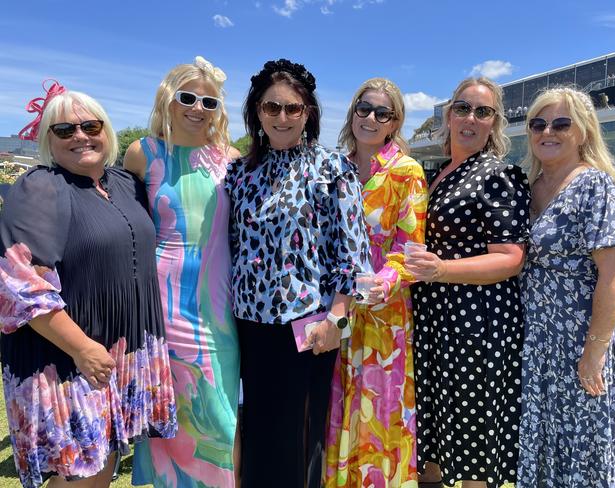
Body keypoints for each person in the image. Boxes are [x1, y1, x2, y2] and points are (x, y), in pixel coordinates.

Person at [0, 81, 177, 488]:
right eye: (64, 130)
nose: (80, 136)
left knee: (104, 465)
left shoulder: (125, 184)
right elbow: (21, 283)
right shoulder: (41, 186)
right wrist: (82, 349)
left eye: (90, 126)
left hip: (118, 352)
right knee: (79, 474)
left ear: (107, 131)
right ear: (48, 140)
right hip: (68, 358)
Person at [224, 59, 370, 488]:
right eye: (272, 108)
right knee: (256, 432)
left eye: (293, 108)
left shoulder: (332, 168)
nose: (282, 117)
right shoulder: (240, 172)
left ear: (308, 113)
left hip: (307, 330)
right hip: (249, 327)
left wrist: (336, 320)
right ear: (256, 112)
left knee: (299, 437)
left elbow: (352, 255)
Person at [405, 77, 530, 488]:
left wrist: (441, 269)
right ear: (448, 114)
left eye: (483, 111)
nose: (470, 118)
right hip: (436, 317)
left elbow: (510, 258)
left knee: (473, 431)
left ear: (495, 122)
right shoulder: (441, 173)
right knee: (437, 426)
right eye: (463, 108)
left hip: (477, 322)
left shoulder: (499, 174)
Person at [124, 56, 241, 488]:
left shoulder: (231, 158)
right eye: (187, 97)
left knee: (220, 417)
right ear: (167, 99)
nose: (198, 108)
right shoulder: (143, 153)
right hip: (164, 303)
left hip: (219, 307)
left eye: (208, 101)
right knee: (172, 415)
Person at [516, 87, 615, 487]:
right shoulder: (529, 188)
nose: (547, 131)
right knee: (543, 447)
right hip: (539, 347)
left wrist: (594, 353)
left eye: (561, 123)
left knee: (584, 452)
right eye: (538, 123)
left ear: (583, 131)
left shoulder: (594, 187)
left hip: (581, 347)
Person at [324, 78, 427, 487]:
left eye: (381, 113)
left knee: (378, 414)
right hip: (335, 307)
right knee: (336, 405)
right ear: (352, 113)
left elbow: (409, 250)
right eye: (363, 109)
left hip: (384, 318)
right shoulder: (334, 167)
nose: (370, 118)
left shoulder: (406, 172)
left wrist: (378, 286)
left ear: (394, 122)